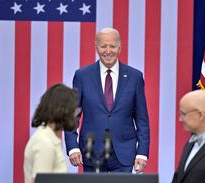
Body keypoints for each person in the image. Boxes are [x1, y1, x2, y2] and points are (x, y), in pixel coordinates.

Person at [64, 27, 150, 173]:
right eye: (103, 46)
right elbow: (72, 115)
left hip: (124, 153)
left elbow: (142, 119)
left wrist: (142, 153)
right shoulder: (82, 76)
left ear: (119, 47)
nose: (108, 51)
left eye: (112, 46)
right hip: (91, 151)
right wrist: (72, 147)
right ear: (96, 47)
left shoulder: (135, 77)